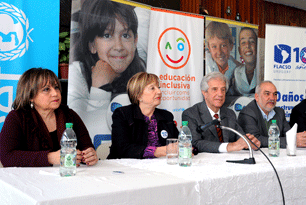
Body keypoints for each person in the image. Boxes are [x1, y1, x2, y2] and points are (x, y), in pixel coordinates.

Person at [68, 0, 146, 140]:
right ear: (92, 45)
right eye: (107, 35)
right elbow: (86, 134)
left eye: (125, 35)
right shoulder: (76, 74)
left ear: (135, 41)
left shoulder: (143, 72)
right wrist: (100, 88)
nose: (118, 46)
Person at [0, 68, 98, 167]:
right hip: (29, 180)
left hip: (66, 177)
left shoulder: (69, 115)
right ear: (30, 96)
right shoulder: (17, 117)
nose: (55, 93)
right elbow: (7, 157)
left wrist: (89, 155)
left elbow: (86, 147)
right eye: (46, 89)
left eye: (56, 87)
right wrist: (50, 158)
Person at [182, 72, 260, 153]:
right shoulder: (191, 114)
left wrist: (249, 142)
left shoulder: (230, 114)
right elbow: (195, 143)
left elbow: (240, 138)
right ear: (204, 93)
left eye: (223, 90)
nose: (220, 94)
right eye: (215, 89)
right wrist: (229, 146)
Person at [107, 72, 179, 159]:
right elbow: (122, 149)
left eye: (158, 87)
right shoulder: (122, 114)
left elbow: (178, 142)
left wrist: (186, 148)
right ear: (138, 95)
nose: (159, 91)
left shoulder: (166, 116)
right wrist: (159, 151)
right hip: (126, 168)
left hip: (159, 166)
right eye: (152, 88)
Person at [238, 81, 306, 148]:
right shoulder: (247, 113)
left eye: (275, 94)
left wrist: (302, 138)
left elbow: (288, 134)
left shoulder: (280, 112)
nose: (272, 98)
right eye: (267, 94)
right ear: (257, 97)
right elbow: (255, 140)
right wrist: (291, 141)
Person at [205, 21, 241, 87]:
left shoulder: (236, 66)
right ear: (209, 48)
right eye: (214, 47)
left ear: (231, 45)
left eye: (223, 45)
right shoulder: (204, 66)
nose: (219, 52)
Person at [228, 27, 258, 97]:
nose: (247, 45)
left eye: (252, 41)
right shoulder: (236, 72)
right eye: (243, 42)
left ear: (257, 47)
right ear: (239, 50)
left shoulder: (264, 71)